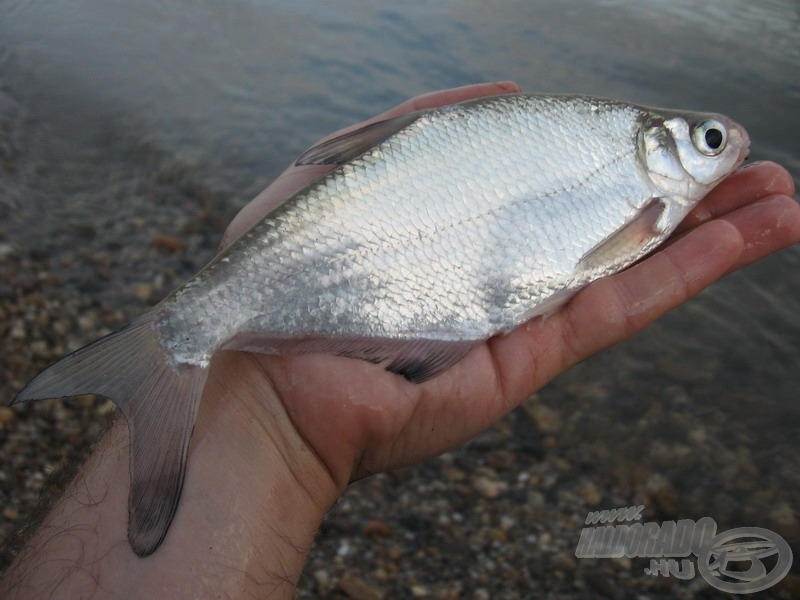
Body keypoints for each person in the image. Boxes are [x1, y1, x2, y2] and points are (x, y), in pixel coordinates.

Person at [1, 81, 798, 599]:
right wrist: (275, 425)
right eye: (707, 142)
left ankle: (176, 350)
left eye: (712, 141)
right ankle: (173, 349)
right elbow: (600, 256)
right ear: (657, 146)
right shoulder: (630, 171)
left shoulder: (608, 153)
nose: (723, 145)